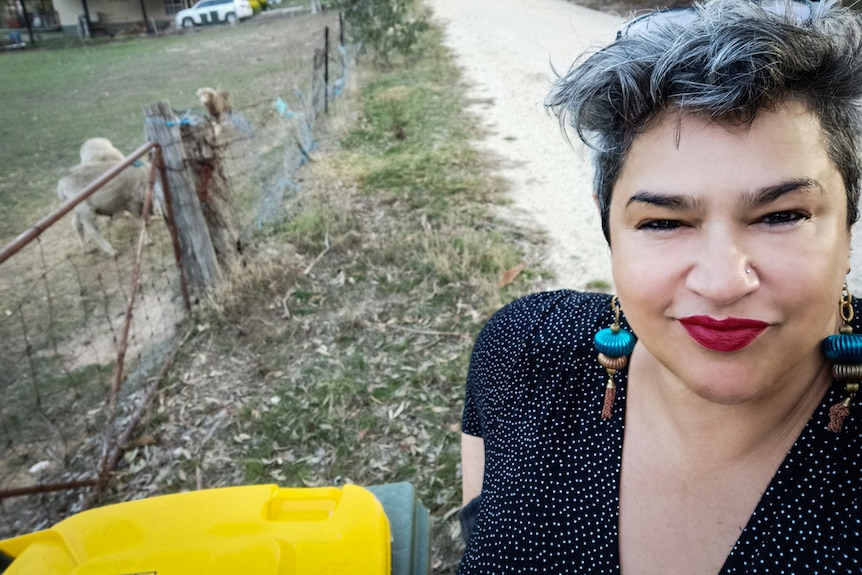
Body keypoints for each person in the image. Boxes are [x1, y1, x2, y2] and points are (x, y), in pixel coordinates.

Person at [457, 0, 862, 572]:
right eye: (664, 222)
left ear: (848, 223)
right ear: (609, 227)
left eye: (782, 215)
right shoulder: (520, 352)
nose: (722, 284)